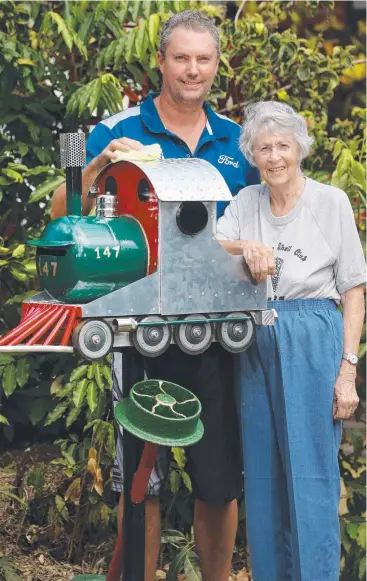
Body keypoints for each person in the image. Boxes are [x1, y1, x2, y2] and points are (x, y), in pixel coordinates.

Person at [51, 11, 259, 581]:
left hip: (216, 327)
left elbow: (265, 228)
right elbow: (62, 223)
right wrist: (96, 166)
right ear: (160, 62)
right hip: (137, 326)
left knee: (218, 482)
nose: (193, 70)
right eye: (181, 58)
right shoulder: (119, 131)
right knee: (140, 480)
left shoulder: (239, 144)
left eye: (204, 59)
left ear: (217, 65)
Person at [216, 100, 366, 581]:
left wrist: (348, 369)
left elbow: (354, 290)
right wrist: (246, 246)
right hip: (256, 339)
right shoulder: (245, 203)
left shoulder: (330, 202)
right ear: (253, 155)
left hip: (312, 334)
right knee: (262, 477)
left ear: (299, 148)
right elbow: (209, 248)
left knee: (311, 476)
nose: (275, 156)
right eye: (264, 148)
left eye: (283, 145)